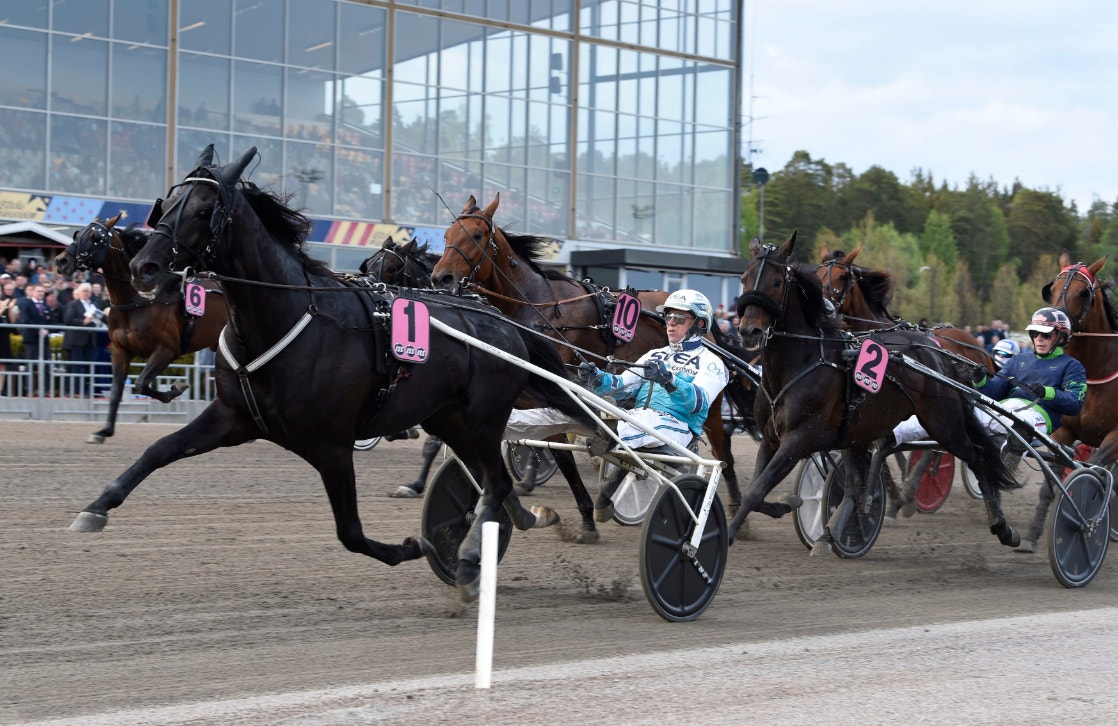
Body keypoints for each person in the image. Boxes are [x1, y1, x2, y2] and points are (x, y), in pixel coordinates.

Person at [577, 289, 729, 521]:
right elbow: (621, 386)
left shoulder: (712, 364)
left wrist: (670, 380)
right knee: (594, 405)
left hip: (679, 429)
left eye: (679, 319)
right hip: (643, 420)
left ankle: (608, 434)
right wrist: (596, 378)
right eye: (668, 318)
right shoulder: (654, 355)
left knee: (639, 421)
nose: (670, 324)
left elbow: (699, 402)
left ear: (699, 324)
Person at [63, 283, 104, 396]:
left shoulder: (93, 305)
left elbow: (100, 319)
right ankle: (75, 391)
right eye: (84, 291)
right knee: (77, 365)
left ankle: (86, 391)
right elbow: (68, 319)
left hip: (91, 339)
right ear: (80, 293)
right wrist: (82, 322)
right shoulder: (73, 304)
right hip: (77, 339)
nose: (86, 293)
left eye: (88, 291)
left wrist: (102, 316)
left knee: (89, 366)